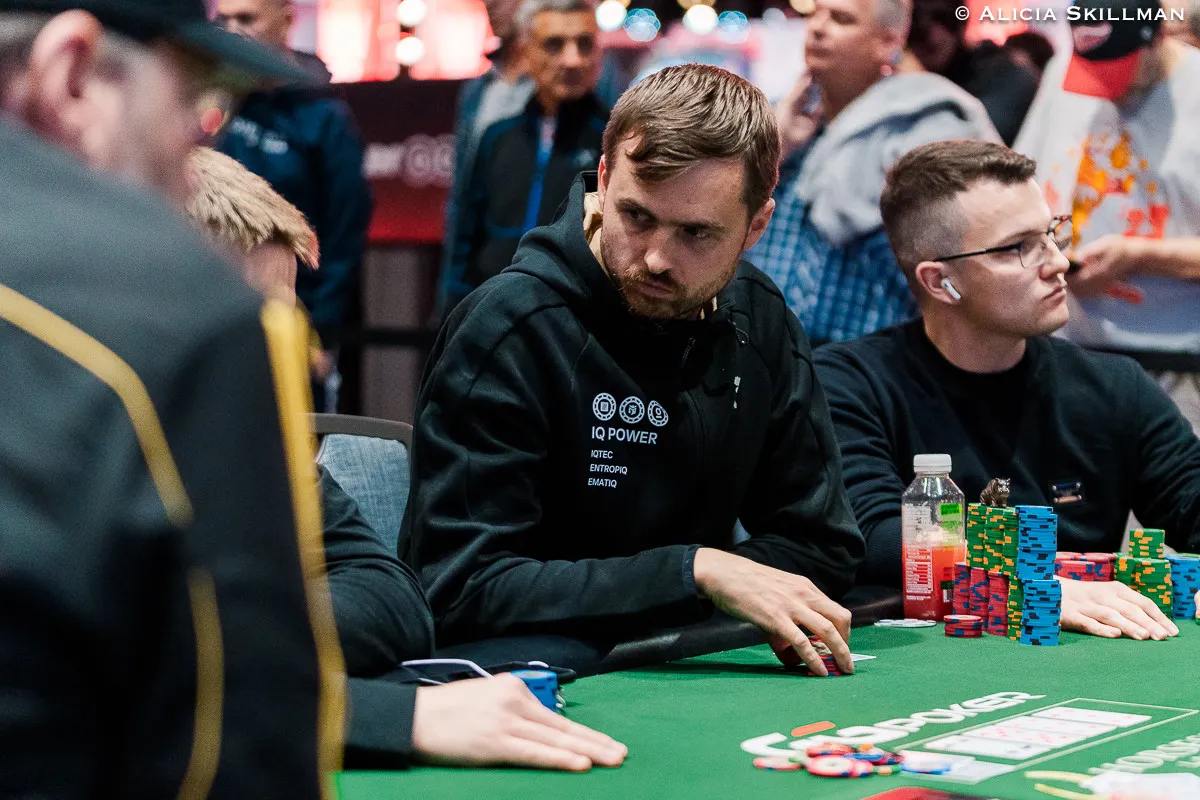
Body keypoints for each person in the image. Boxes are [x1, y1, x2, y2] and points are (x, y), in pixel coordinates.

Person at [403, 63, 865, 678]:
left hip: (686, 661)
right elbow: (459, 587)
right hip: (528, 678)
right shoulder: (509, 327)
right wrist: (694, 572)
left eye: (696, 233)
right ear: (603, 179)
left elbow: (823, 544)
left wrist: (712, 578)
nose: (655, 259)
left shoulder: (759, 319)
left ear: (756, 226)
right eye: (637, 216)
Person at [185, 147, 627, 771]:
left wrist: (228, 642)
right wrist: (398, 716)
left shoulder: (241, 436)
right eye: (251, 326)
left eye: (287, 322)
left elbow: (391, 597)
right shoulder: (61, 454)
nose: (287, 353)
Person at [0, 1, 342, 796]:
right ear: (72, 76)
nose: (195, 152)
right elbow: (238, 750)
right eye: (189, 100)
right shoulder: (181, 312)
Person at [813, 139, 1200, 642]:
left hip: (1084, 659)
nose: (1057, 262)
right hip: (923, 658)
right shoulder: (849, 383)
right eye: (1018, 247)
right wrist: (1034, 584)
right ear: (941, 282)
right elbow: (878, 536)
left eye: (1051, 233)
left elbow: (1192, 502)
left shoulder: (1114, 385)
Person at [746, 0, 999, 347]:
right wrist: (772, 147)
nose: (818, 28)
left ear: (887, 42)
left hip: (866, 353)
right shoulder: (783, 117)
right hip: (762, 343)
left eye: (841, 19)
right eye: (816, 13)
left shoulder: (923, 126)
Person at [1013, 0, 1200, 356]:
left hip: (1174, 351)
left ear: (1157, 36)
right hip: (1068, 341)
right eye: (1092, 70)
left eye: (1119, 70)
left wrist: (1139, 256)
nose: (1104, 88)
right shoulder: (1063, 73)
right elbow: (1024, 181)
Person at [214, 0, 374, 412]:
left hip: (296, 325)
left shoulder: (322, 115)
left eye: (246, 18)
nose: (233, 30)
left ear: (286, 20)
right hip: (218, 320)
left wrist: (319, 332)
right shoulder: (212, 101)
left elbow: (343, 235)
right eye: (224, 19)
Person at [436, 0, 608, 317]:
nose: (572, 60)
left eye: (584, 44)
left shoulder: (612, 142)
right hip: (489, 314)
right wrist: (452, 312)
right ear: (526, 51)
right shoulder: (498, 136)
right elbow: (465, 231)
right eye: (554, 44)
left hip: (571, 322)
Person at [437, 0, 534, 322]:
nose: (491, 5)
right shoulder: (478, 90)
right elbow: (463, 197)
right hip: (484, 271)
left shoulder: (566, 86)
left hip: (542, 269)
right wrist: (450, 294)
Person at [906, 0, 1039, 144]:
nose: (930, 35)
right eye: (914, 31)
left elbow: (973, 143)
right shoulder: (917, 82)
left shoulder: (1006, 74)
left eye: (939, 17)